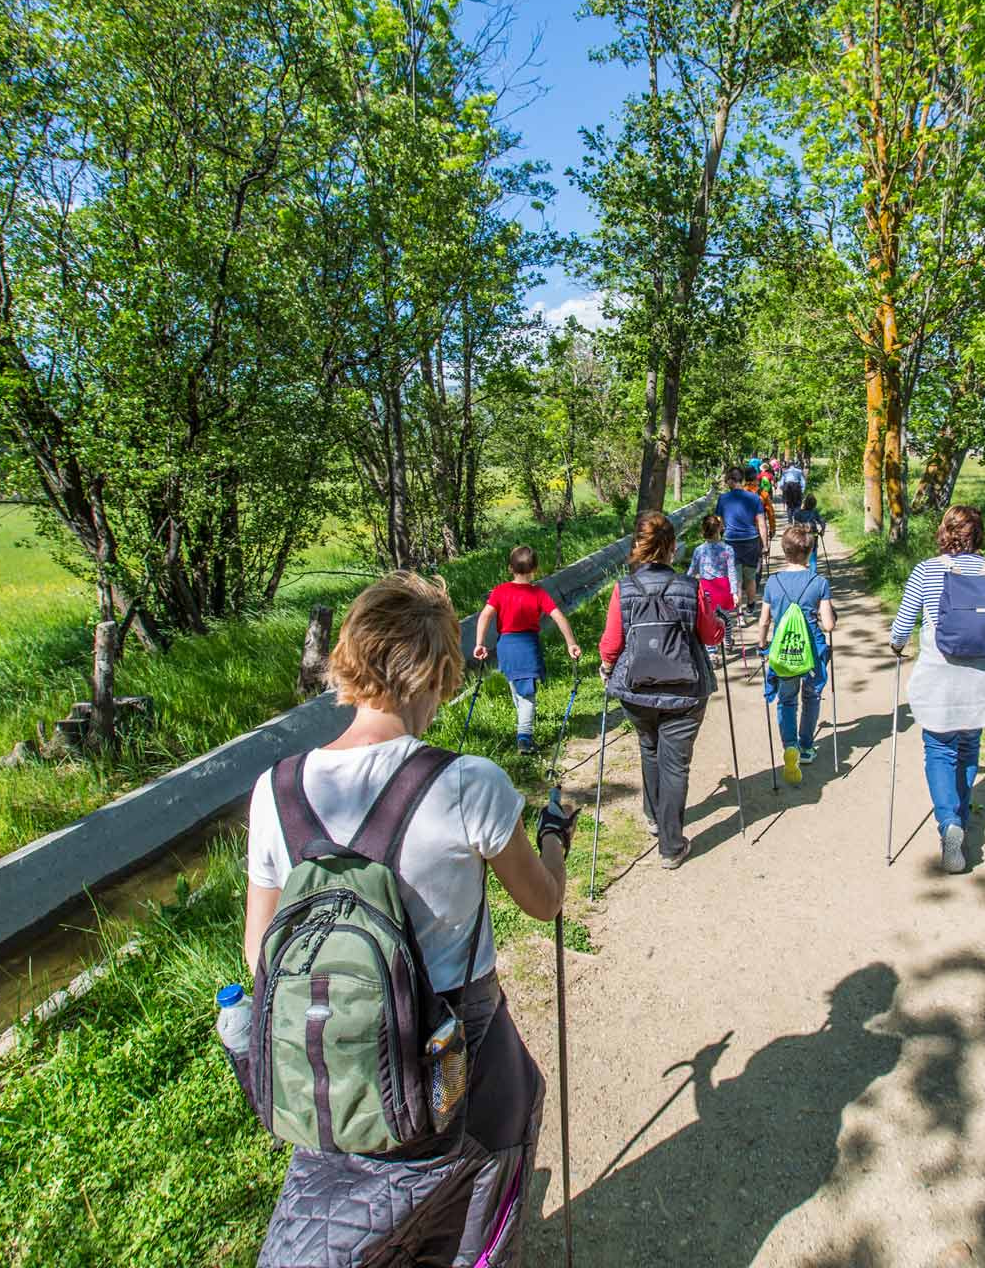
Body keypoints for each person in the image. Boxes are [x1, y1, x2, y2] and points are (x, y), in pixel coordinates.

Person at [245, 572, 571, 1267]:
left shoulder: (273, 789)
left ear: (351, 659)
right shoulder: (468, 782)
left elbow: (259, 957)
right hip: (465, 1051)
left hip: (337, 1070)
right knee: (481, 1199)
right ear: (440, 671)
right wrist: (553, 843)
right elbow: (544, 902)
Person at [887, 504, 985, 874]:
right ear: (979, 535)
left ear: (943, 532)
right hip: (981, 683)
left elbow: (901, 628)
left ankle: (948, 822)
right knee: (968, 747)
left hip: (939, 678)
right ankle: (962, 821)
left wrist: (897, 647)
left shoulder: (926, 571)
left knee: (939, 749)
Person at [598, 511, 726, 870]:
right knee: (676, 764)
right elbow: (708, 635)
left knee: (649, 748)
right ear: (672, 547)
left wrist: (607, 669)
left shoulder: (623, 589)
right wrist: (720, 624)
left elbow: (611, 643)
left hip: (636, 691)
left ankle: (654, 817)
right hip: (685, 692)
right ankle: (671, 846)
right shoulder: (691, 586)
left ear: (637, 546)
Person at [473, 546, 583, 753]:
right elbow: (558, 615)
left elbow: (485, 615)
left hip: (505, 647)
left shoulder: (500, 591)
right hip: (527, 647)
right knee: (526, 695)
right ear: (536, 569)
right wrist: (571, 642)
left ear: (510, 568)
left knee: (519, 689)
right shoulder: (538, 593)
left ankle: (524, 726)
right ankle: (524, 738)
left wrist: (479, 643)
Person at [756, 525, 835, 785]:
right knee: (811, 697)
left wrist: (761, 644)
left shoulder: (773, 582)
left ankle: (790, 746)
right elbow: (829, 625)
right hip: (812, 650)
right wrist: (831, 613)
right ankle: (806, 747)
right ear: (809, 551)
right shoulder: (819, 582)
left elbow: (765, 620)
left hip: (785, 651)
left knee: (787, 699)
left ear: (785, 551)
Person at [715, 465, 768, 620]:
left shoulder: (723, 499)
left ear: (732, 481)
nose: (726, 483)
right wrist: (764, 545)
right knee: (750, 578)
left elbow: (720, 524)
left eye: (727, 481)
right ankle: (750, 605)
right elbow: (761, 523)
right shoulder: (754, 498)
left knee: (735, 580)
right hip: (751, 542)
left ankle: (739, 616)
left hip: (731, 543)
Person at [687, 515, 738, 655]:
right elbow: (732, 571)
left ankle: (712, 651)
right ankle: (728, 641)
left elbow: (692, 570)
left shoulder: (699, 550)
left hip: (706, 588)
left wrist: (684, 583)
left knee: (708, 620)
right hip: (723, 588)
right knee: (726, 617)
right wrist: (734, 592)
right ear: (719, 530)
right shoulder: (728, 549)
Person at [779, 480, 825, 573]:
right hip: (814, 536)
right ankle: (812, 574)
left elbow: (795, 526)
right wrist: (822, 530)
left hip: (800, 537)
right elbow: (822, 522)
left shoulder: (798, 513)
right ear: (814, 504)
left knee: (799, 556)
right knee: (813, 558)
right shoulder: (814, 512)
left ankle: (799, 572)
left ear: (804, 503)